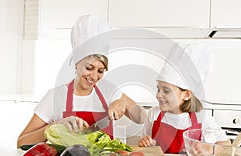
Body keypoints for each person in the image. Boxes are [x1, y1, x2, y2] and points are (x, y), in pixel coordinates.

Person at [17, 15, 147, 148]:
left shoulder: (108, 90)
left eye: (100, 71)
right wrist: (52, 127)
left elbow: (142, 117)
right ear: (76, 63)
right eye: (89, 68)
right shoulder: (55, 97)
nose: (94, 77)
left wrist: (123, 103)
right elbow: (21, 142)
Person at [139, 43, 230, 155]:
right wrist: (146, 143)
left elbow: (227, 146)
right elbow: (145, 143)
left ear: (186, 95)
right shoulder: (154, 114)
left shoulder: (203, 118)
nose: (158, 95)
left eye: (166, 91)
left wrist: (210, 149)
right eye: (158, 89)